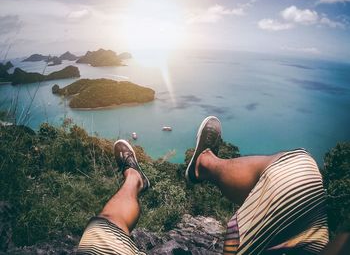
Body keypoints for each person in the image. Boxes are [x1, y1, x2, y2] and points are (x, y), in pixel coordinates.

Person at [77, 116, 329, 254]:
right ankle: (203, 164)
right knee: (301, 166)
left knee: (96, 236)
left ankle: (134, 177)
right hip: (304, 245)